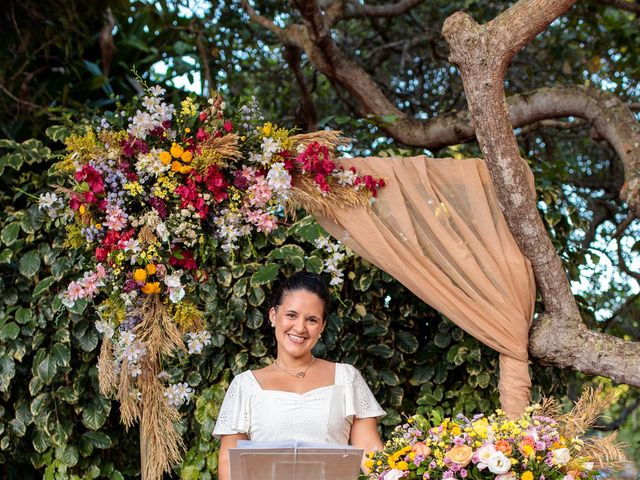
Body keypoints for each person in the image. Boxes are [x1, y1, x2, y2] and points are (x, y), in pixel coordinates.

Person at [213, 271, 385, 480]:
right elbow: (231, 469)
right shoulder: (245, 385)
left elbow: (372, 456)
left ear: (321, 327)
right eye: (291, 315)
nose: (300, 327)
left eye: (312, 320)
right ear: (273, 316)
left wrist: (412, 464)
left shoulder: (347, 378)